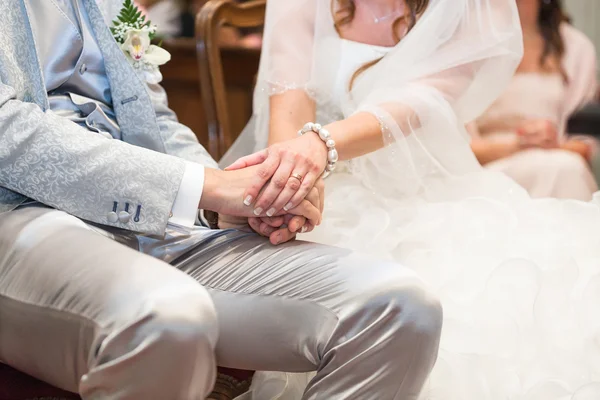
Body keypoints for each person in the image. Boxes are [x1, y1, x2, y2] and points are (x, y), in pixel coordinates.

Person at [0, 1, 443, 399]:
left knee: (399, 306)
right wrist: (205, 186)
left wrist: (247, 192)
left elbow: (154, 121)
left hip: (158, 225)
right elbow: (7, 135)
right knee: (168, 317)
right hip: (22, 216)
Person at [222, 0, 600, 398]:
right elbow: (289, 107)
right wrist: (288, 189)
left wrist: (322, 143)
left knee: (483, 302)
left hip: (427, 193)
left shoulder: (470, 7)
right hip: (324, 192)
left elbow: (417, 103)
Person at [468, 0, 598, 200]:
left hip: (560, 159)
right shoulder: (465, 46)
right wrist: (518, 145)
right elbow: (451, 149)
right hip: (486, 172)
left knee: (565, 169)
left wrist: (551, 144)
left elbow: (584, 143)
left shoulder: (574, 47)